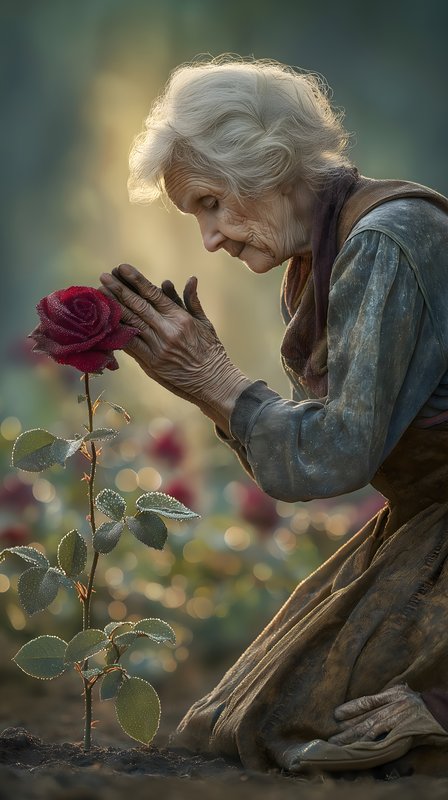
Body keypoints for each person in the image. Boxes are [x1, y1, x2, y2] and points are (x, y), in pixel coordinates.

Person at [99, 58, 448, 775]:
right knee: (234, 717)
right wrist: (209, 387)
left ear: (264, 167)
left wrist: (218, 382)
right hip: (425, 523)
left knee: (312, 728)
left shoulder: (386, 240)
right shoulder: (315, 260)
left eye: (211, 203)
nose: (210, 240)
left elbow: (337, 456)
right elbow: (331, 445)